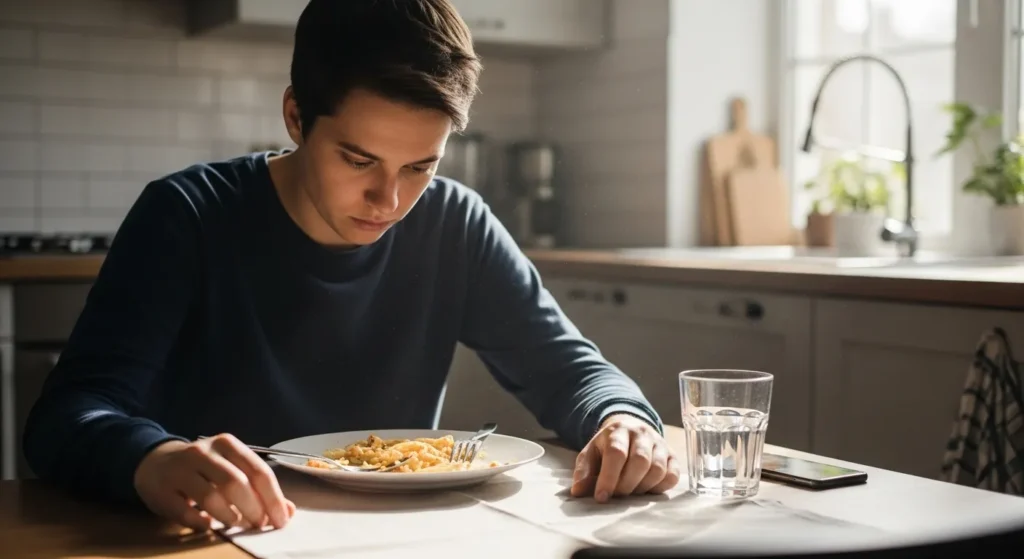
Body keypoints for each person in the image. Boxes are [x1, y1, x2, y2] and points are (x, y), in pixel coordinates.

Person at [22, 0, 680, 532]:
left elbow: (571, 371)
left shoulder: (455, 222)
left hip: (397, 539)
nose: (390, 201)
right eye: (359, 160)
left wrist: (621, 419)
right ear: (295, 117)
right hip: (221, 538)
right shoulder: (188, 215)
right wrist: (149, 456)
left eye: (420, 166)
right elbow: (68, 415)